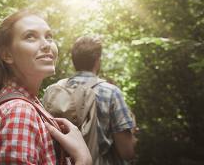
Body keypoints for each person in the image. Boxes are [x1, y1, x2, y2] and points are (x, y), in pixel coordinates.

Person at [0, 10, 92, 165]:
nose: (47, 44)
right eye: (30, 36)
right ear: (7, 54)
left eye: (49, 37)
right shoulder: (19, 110)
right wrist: (83, 159)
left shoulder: (29, 104)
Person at [45, 35, 136, 164]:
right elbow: (127, 152)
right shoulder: (110, 92)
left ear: (74, 61)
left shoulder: (52, 90)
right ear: (98, 61)